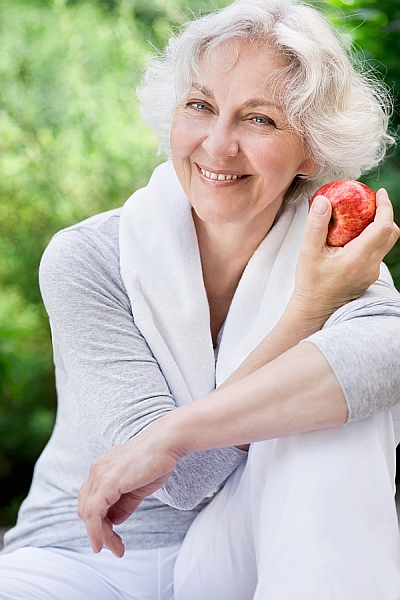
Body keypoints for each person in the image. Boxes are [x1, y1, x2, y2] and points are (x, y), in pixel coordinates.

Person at [1, 0, 400, 598]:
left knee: (339, 416)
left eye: (259, 120)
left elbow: (385, 360)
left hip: (247, 551)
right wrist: (309, 315)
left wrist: (170, 435)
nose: (217, 144)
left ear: (312, 149)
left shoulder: (330, 251)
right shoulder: (90, 257)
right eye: (200, 106)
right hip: (85, 556)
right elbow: (182, 483)